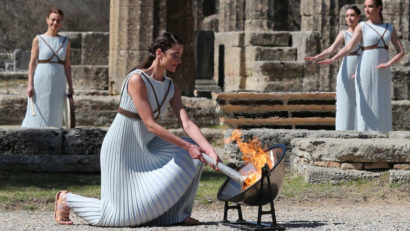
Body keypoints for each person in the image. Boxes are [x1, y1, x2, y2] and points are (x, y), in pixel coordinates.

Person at [54, 32, 221, 226]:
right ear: (160, 53)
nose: (179, 60)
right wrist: (187, 146)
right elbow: (150, 124)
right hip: (121, 148)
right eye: (175, 55)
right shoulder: (137, 79)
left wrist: (209, 151)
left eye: (180, 56)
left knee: (196, 155)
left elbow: (187, 123)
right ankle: (67, 199)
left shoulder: (171, 87)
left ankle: (177, 215)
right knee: (119, 217)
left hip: (147, 147)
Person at [318, 0, 404, 133]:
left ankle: (383, 135)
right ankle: (364, 136)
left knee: (382, 103)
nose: (367, 10)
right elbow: (349, 47)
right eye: (365, 7)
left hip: (383, 70)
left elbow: (401, 51)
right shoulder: (362, 26)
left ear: (379, 8)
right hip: (365, 68)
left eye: (370, 6)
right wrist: (333, 59)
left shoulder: (389, 27)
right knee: (365, 104)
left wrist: (388, 63)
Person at [305, 6, 362, 131]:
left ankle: (361, 130)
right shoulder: (344, 33)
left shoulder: (364, 31)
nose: (349, 18)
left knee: (362, 100)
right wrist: (316, 57)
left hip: (361, 66)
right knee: (345, 101)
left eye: (352, 15)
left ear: (358, 16)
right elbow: (331, 49)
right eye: (347, 16)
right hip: (347, 68)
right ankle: (343, 130)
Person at [21, 8, 73, 128]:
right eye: (53, 20)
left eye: (58, 21)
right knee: (37, 112)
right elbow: (32, 63)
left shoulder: (66, 41)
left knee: (55, 111)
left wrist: (70, 86)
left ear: (61, 22)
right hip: (40, 80)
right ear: (47, 20)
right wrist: (30, 85)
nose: (55, 23)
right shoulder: (38, 40)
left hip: (58, 81)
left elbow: (67, 66)